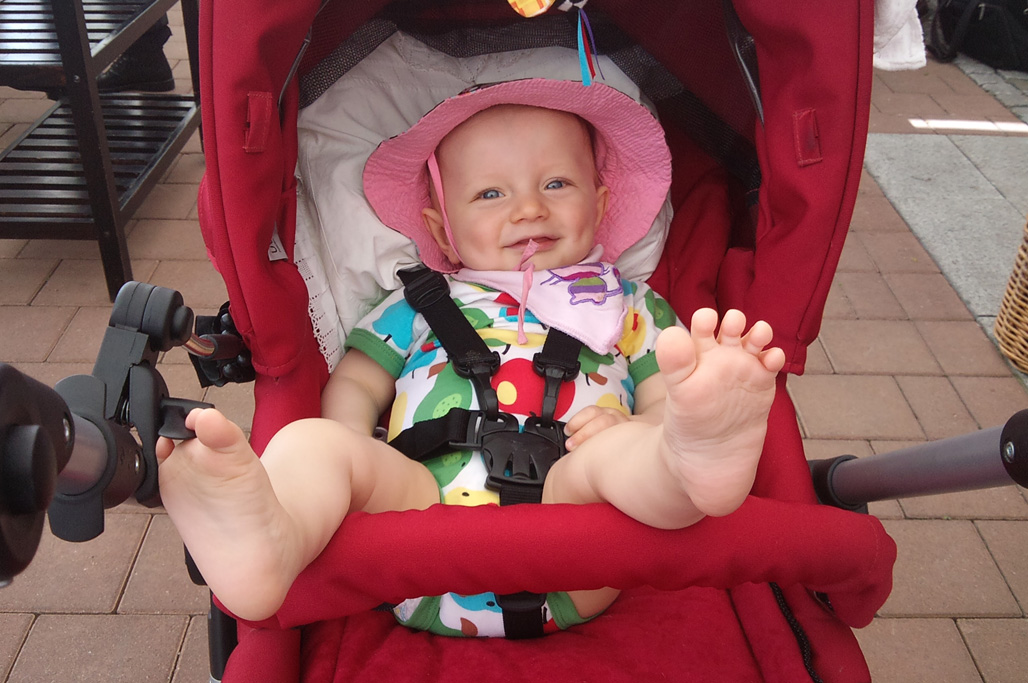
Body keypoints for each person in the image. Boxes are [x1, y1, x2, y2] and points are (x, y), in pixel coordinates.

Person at [156, 79, 786, 636]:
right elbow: (357, 382)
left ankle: (691, 462)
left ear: (599, 204)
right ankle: (272, 536)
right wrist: (351, 444)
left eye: (557, 183)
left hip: (579, 533)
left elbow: (662, 396)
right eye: (489, 193)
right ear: (442, 229)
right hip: (418, 518)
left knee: (631, 451)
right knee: (313, 442)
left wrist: (650, 427)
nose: (529, 208)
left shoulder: (630, 306)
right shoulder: (420, 302)